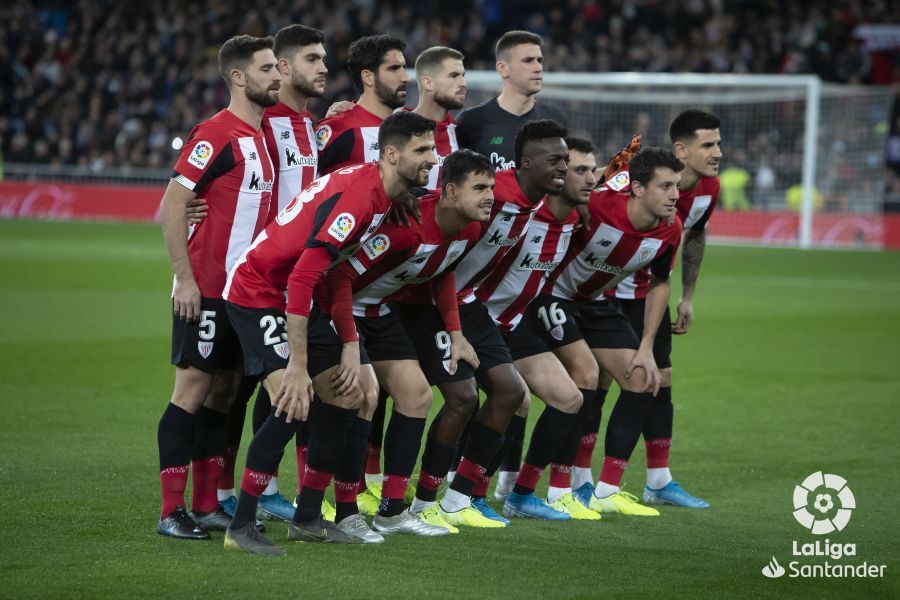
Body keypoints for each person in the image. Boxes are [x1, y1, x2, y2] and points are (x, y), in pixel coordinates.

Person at [220, 111, 438, 555]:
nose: (432, 159)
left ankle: (306, 518)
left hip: (301, 295)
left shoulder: (382, 196)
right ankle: (240, 527)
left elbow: (335, 273)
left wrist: (351, 343)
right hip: (259, 291)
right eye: (422, 150)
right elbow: (302, 277)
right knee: (293, 402)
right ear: (391, 154)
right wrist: (298, 366)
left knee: (348, 393)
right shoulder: (362, 198)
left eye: (432, 148)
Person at [395, 119, 568, 529]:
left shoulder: (532, 201)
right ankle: (414, 498)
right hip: (427, 298)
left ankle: (458, 498)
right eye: (555, 160)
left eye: (566, 160)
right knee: (458, 397)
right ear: (527, 163)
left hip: (469, 303)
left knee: (509, 393)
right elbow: (441, 198)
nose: (563, 167)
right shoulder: (494, 196)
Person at [325, 149, 495, 535]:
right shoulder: (408, 224)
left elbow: (444, 272)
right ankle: (345, 511)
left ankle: (391, 511)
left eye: (492, 187)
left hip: (379, 313)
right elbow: (339, 277)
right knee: (361, 398)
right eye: (480, 187)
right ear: (450, 191)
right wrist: (349, 339)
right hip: (340, 310)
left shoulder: (469, 227)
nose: (490, 196)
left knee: (417, 394)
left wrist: (455, 332)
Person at [156, 35, 280, 540]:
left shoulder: (265, 134)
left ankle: (207, 504)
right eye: (268, 68)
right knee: (192, 390)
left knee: (225, 392)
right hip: (205, 286)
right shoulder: (214, 133)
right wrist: (184, 280)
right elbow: (170, 205)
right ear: (238, 77)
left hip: (243, 294)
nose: (277, 75)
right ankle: (170, 511)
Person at [215, 23, 329, 525]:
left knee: (271, 387)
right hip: (254, 275)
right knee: (235, 387)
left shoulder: (312, 125)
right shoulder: (264, 116)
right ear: (281, 68)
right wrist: (197, 202)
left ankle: (267, 490)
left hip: (293, 277)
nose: (324, 67)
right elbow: (221, 158)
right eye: (312, 59)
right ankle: (220, 495)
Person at [533, 147, 685, 517]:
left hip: (596, 304)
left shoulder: (671, 229)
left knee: (642, 379)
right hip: (552, 296)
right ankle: (555, 486)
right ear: (636, 188)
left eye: (677, 186)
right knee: (585, 379)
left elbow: (661, 283)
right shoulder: (599, 206)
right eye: (665, 186)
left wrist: (647, 346)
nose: (675, 195)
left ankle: (606, 490)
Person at [596, 110, 722, 509]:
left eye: (718, 143)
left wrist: (688, 296)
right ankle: (584, 483)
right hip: (608, 294)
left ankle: (658, 481)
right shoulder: (636, 181)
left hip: (653, 295)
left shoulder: (709, 190)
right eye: (708, 145)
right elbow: (594, 203)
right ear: (681, 150)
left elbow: (695, 236)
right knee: (595, 384)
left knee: (660, 381)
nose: (718, 152)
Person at [472, 137, 602, 521]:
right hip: (480, 318)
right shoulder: (522, 212)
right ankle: (469, 490)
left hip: (518, 322)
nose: (585, 177)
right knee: (512, 399)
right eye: (577, 169)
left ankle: (523, 494)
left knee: (569, 397)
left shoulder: (575, 219)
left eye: (585, 169)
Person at [455, 30, 567, 170]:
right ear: (503, 68)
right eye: (528, 60)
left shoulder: (555, 118)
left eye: (540, 60)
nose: (538, 68)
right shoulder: (470, 121)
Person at [315, 35, 408, 175]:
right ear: (368, 77)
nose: (405, 77)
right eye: (393, 69)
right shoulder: (340, 127)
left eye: (403, 68)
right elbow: (301, 177)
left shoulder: (407, 127)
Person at [412, 46, 467, 190]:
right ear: (428, 83)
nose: (463, 83)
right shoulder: (396, 128)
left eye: (463, 75)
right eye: (454, 76)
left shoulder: (462, 132)